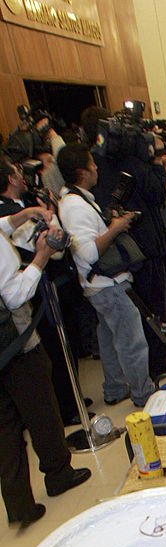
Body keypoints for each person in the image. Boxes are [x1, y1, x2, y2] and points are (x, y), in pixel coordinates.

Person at [0, 204, 91, 527]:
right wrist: (41, 256)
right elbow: (13, 296)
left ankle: (19, 504)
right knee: (41, 411)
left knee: (5, 429)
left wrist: (19, 217)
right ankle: (58, 473)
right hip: (16, 343)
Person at [57, 142, 155, 408]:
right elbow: (88, 252)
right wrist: (116, 227)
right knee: (130, 340)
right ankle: (143, 393)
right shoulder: (75, 206)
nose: (97, 167)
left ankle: (114, 388)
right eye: (92, 164)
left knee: (110, 339)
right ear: (81, 172)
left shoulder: (76, 200)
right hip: (106, 284)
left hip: (99, 286)